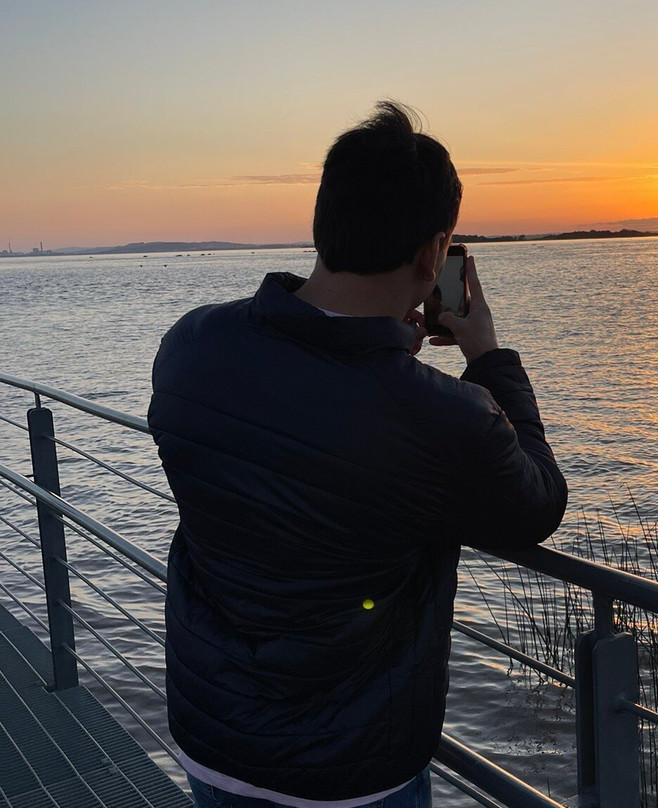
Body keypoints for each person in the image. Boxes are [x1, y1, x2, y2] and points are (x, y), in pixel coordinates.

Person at [148, 101, 568, 808]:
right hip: (351, 775)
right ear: (436, 254)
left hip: (213, 738)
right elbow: (537, 503)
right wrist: (487, 356)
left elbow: (305, 412)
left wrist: (381, 349)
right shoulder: (440, 415)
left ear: (324, 221)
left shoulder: (192, 345)